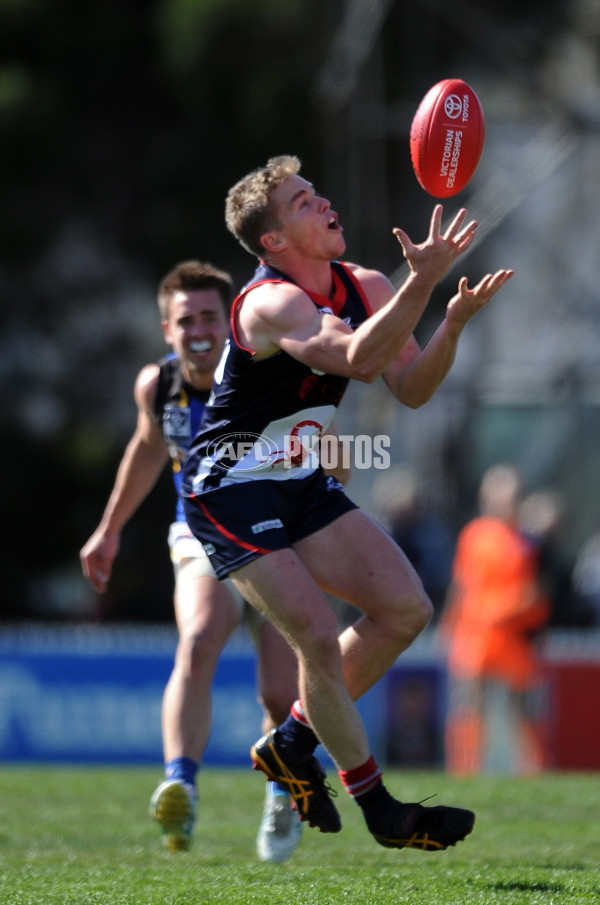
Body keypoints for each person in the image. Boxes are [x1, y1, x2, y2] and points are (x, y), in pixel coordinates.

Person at [180, 154, 514, 851]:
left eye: (315, 191)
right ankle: (380, 806)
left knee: (407, 608)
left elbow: (412, 386)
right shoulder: (269, 303)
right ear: (273, 241)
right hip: (230, 488)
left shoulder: (361, 283)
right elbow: (360, 359)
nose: (324, 200)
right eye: (303, 202)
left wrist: (449, 321)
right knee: (317, 635)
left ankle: (292, 741)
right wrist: (421, 279)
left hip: (297, 479)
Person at [80, 260, 347, 862]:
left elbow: (342, 465)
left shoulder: (273, 372)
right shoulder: (159, 385)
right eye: (184, 320)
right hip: (201, 534)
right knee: (198, 640)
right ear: (166, 329)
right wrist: (108, 531)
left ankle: (284, 791)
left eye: (209, 317)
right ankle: (181, 783)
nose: (198, 330)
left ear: (229, 322)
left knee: (281, 694)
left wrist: (322, 452)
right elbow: (148, 448)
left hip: (281, 538)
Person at [439, 464, 551, 775]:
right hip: (475, 636)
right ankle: (465, 770)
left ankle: (533, 770)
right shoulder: (474, 535)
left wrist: (509, 612)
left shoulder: (530, 541)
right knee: (469, 707)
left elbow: (538, 593)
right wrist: (450, 627)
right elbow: (462, 585)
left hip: (513, 638)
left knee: (523, 710)